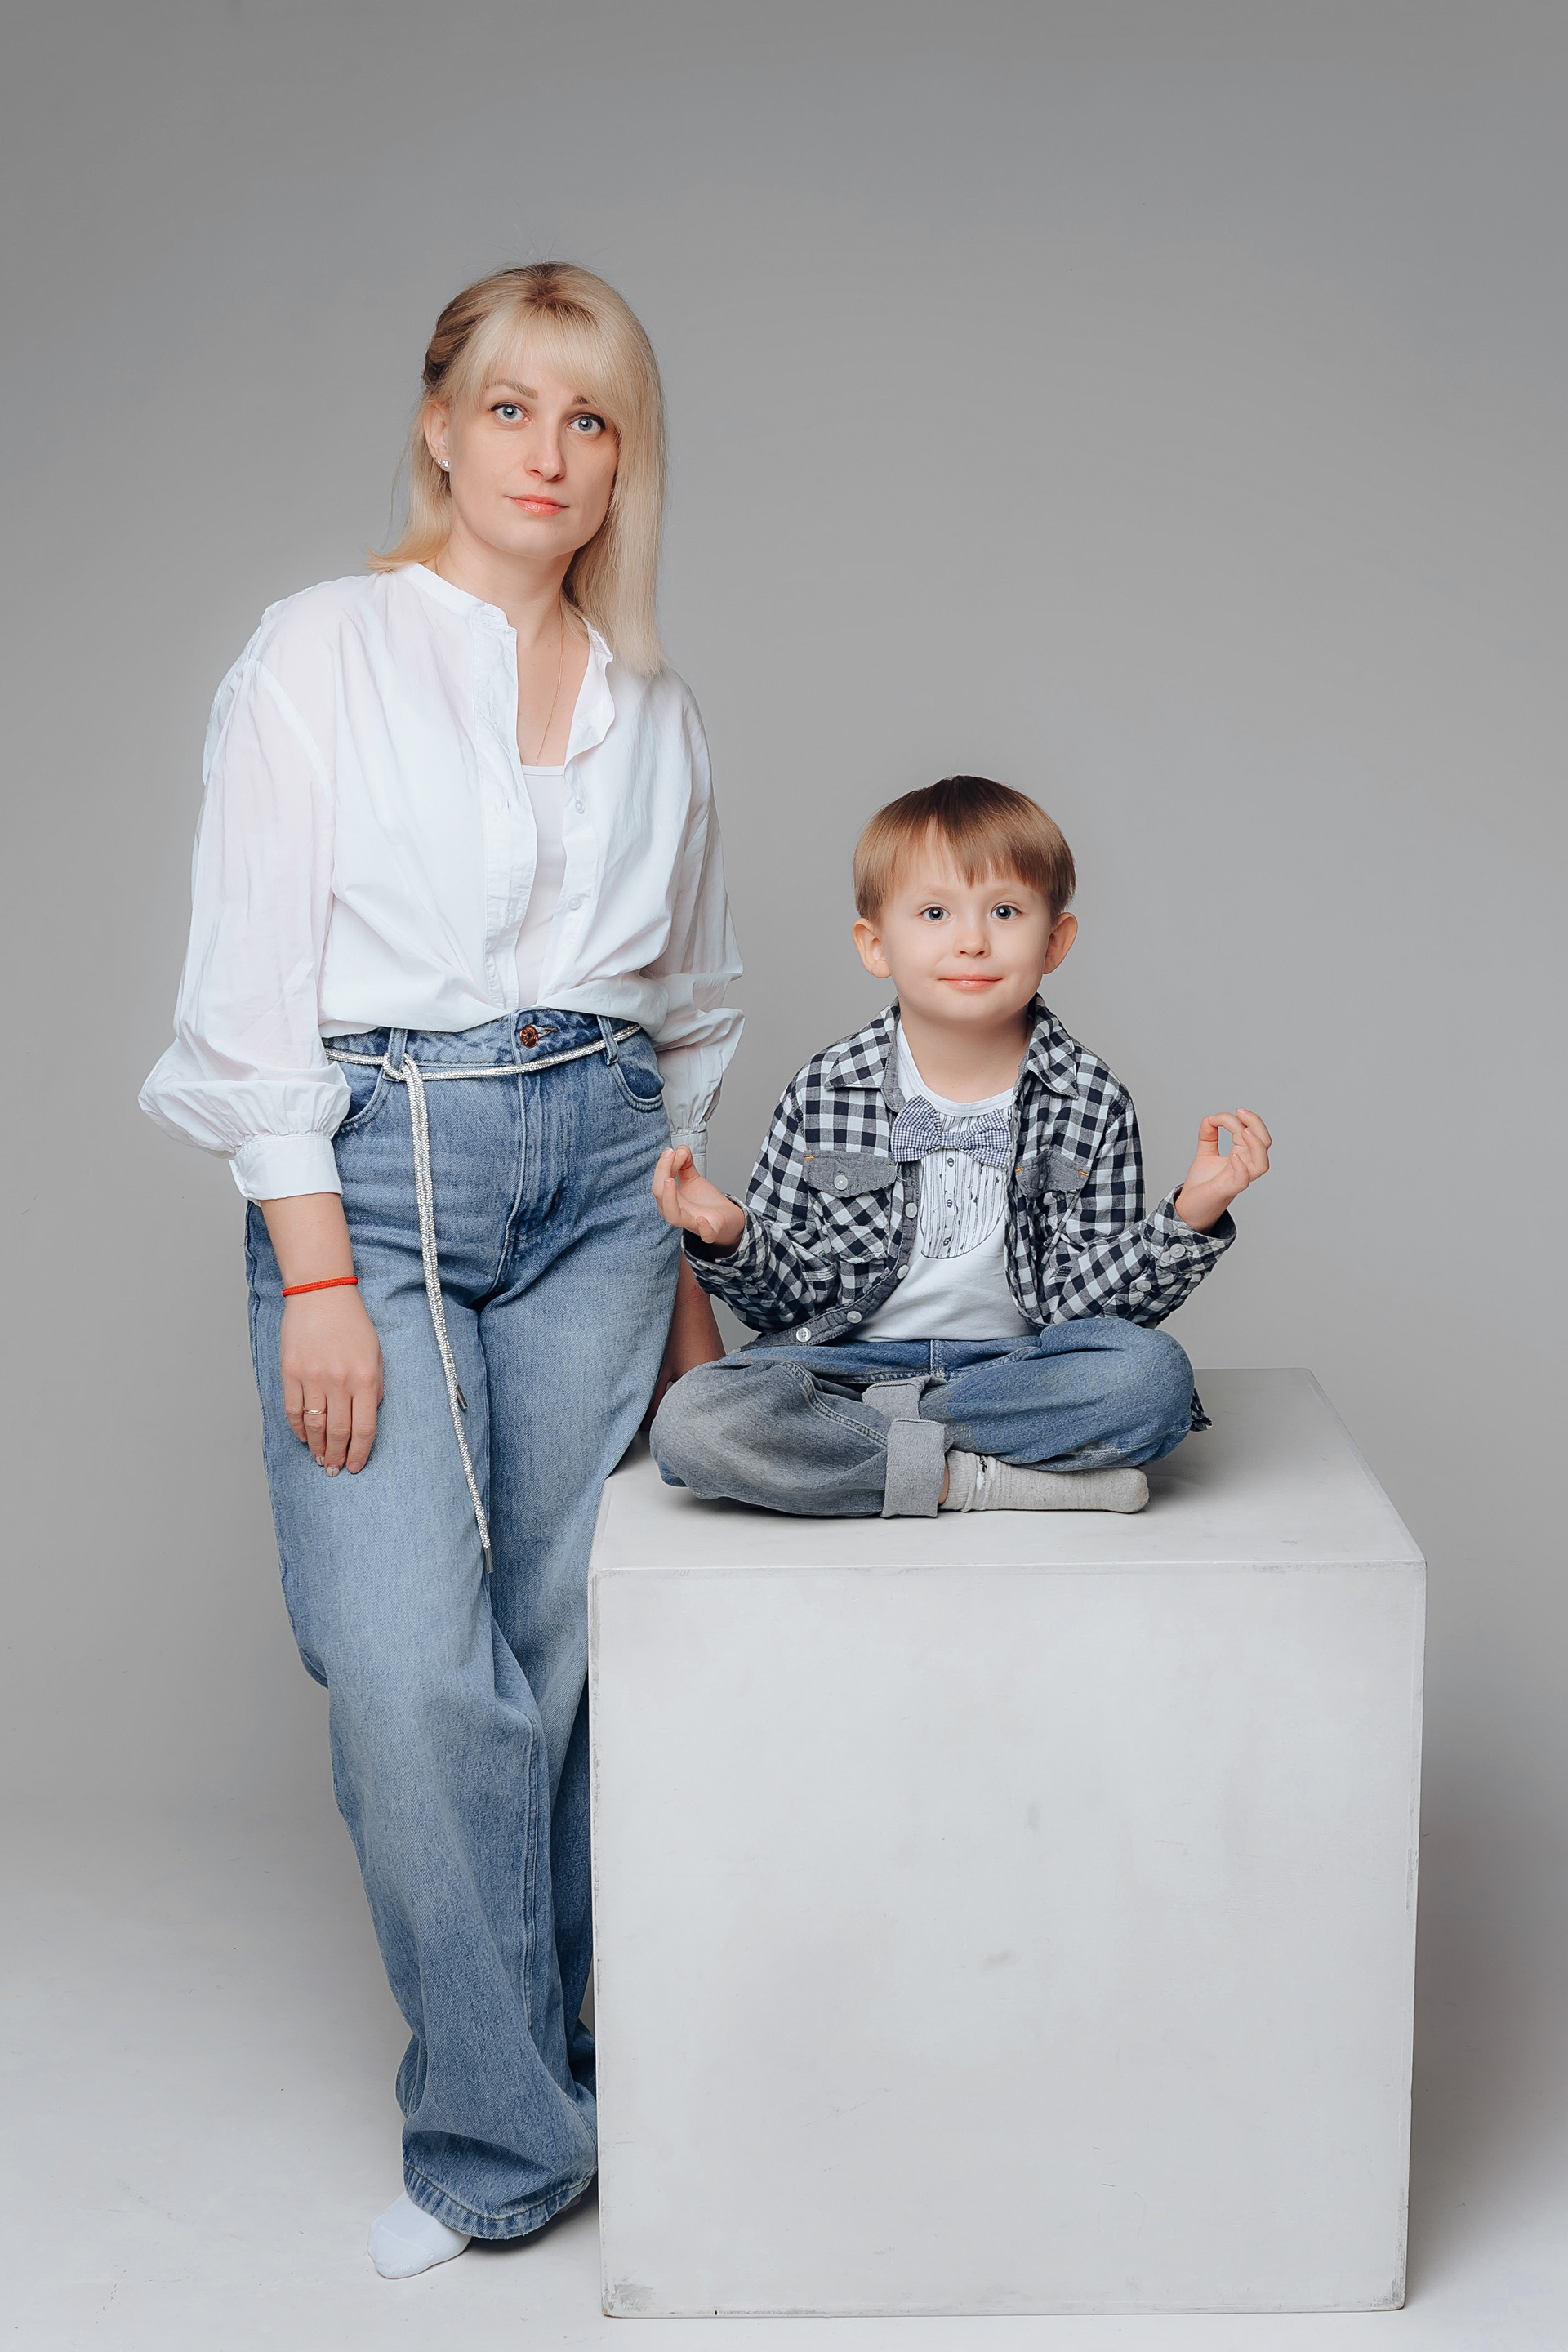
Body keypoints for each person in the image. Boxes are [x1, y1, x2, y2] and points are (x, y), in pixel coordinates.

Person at [140, 265, 741, 2276]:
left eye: (591, 419)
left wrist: (684, 1281)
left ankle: (545, 2075)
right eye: (509, 408)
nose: (547, 454)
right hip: (376, 1172)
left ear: (625, 461)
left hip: (603, 1174)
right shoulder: (320, 648)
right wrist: (314, 1273)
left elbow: (688, 1006)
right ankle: (504, 2137)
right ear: (437, 424)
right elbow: (249, 992)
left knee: (558, 1653)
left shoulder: (657, 705)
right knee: (407, 1665)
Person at [649, 776, 1269, 1517]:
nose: (972, 939)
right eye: (935, 913)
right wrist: (730, 1236)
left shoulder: (1090, 1098)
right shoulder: (825, 1088)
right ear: (876, 945)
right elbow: (789, 1300)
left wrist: (1190, 1216)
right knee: (694, 1421)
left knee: (1150, 1379)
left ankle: (874, 1445)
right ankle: (981, 1482)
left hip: (1014, 1370)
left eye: (1005, 911)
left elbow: (1090, 1310)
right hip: (843, 1366)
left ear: (1055, 940)